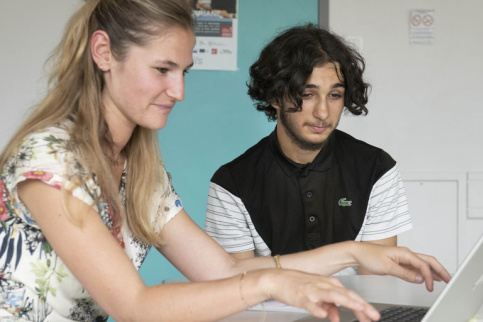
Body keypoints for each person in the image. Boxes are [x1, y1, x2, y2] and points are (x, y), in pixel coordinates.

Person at [0, 1, 449, 321]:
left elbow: (225, 270)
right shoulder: (50, 158)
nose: (178, 92)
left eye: (183, 72)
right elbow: (134, 307)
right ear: (103, 53)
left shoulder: (138, 172)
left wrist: (353, 253)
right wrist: (274, 283)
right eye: (162, 70)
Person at [204, 23, 412, 275]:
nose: (323, 112)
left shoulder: (377, 169)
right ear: (274, 96)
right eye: (307, 94)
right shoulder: (232, 183)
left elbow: (376, 287)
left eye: (334, 95)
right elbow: (235, 286)